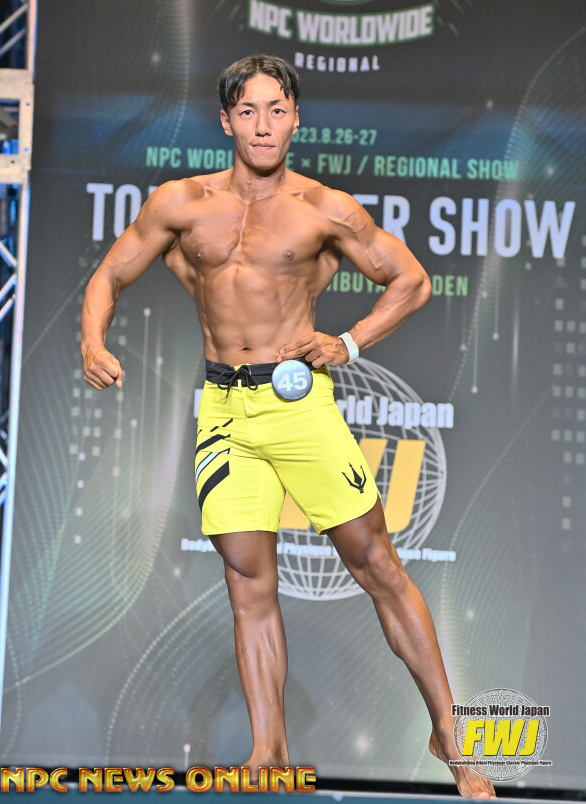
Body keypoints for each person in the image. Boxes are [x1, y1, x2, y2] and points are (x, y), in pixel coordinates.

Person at [81, 54, 495, 799]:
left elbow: (411, 280)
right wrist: (92, 342)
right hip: (224, 412)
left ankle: (452, 736)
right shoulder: (181, 203)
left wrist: (350, 343)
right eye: (249, 110)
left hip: (299, 406)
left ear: (296, 119)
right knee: (248, 583)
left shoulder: (324, 209)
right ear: (226, 121)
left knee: (376, 562)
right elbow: (110, 274)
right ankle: (269, 752)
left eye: (277, 110)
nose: (264, 124)